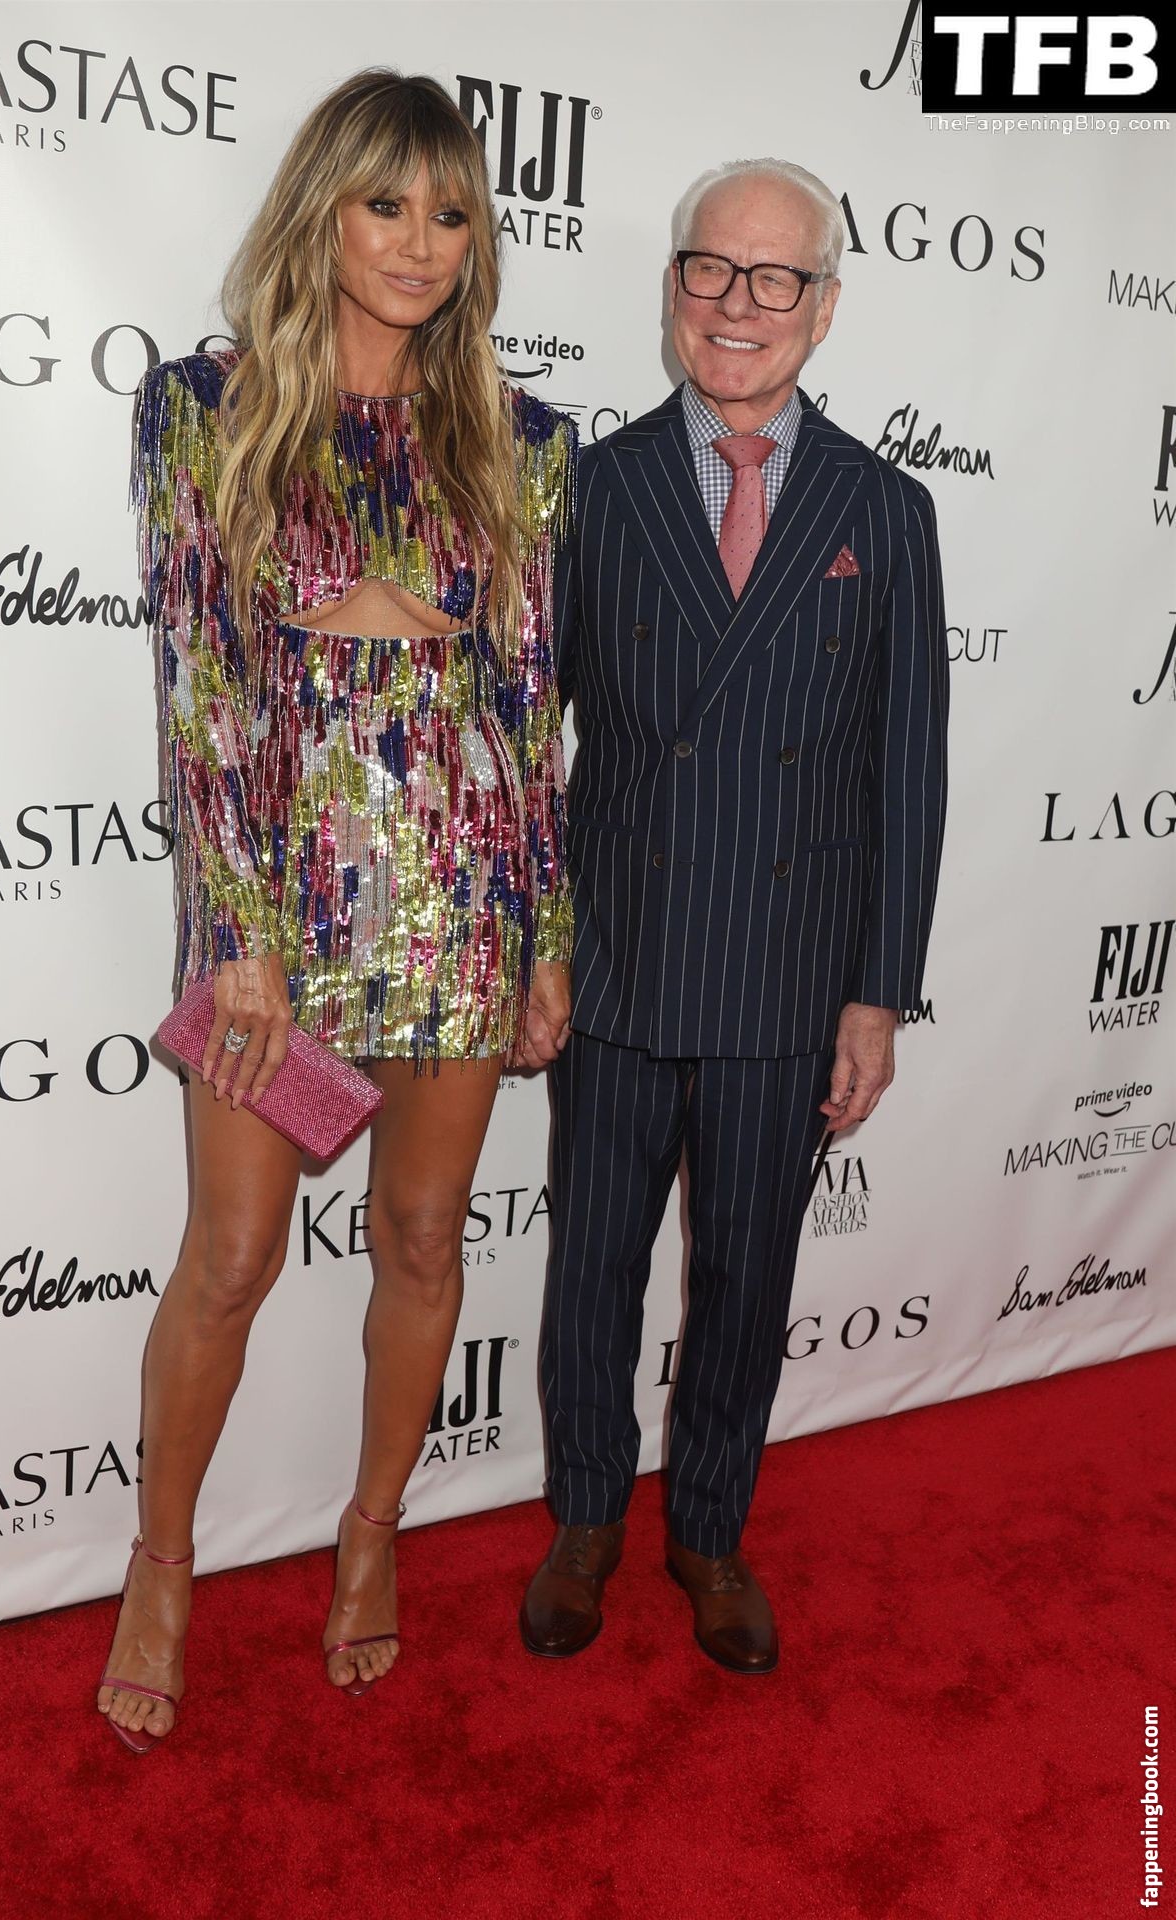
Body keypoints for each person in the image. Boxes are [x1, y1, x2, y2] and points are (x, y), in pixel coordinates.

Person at [97, 68, 576, 1752]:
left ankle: (371, 1537)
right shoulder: (204, 408)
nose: (420, 243)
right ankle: (162, 1563)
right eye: (388, 204)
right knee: (231, 1256)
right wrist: (239, 940)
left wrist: (548, 936)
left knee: (425, 1238)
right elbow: (201, 680)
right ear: (325, 210)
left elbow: (529, 704)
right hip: (280, 912)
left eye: (450, 213)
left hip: (463, 892)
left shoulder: (522, 442)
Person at [522, 158, 948, 1674]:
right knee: (592, 1267)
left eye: (776, 278)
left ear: (824, 308)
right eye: (711, 269)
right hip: (620, 957)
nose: (738, 304)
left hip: (789, 974)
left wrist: (877, 993)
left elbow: (907, 768)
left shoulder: (886, 509)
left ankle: (709, 1532)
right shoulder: (593, 485)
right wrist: (538, 946)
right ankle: (586, 1518)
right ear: (671, 290)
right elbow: (527, 736)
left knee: (748, 1278)